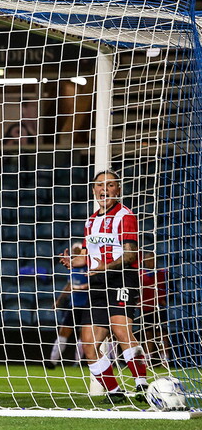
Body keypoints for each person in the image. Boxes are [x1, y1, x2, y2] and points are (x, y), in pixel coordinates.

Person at [59, 170, 148, 403]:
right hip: (98, 282)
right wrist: (77, 261)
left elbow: (130, 256)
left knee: (120, 330)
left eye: (110, 185)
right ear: (93, 190)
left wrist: (104, 267)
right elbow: (89, 256)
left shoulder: (125, 216)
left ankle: (142, 384)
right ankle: (114, 392)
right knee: (89, 343)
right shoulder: (90, 221)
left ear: (118, 190)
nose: (104, 189)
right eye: (100, 185)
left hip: (121, 278)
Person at [45, 241, 88, 369]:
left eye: (78, 250)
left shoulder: (88, 266)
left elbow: (94, 283)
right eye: (74, 250)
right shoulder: (72, 268)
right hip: (74, 305)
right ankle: (52, 361)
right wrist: (58, 301)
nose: (75, 252)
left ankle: (78, 361)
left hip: (87, 305)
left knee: (84, 335)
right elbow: (69, 286)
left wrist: (80, 287)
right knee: (63, 332)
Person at [138, 251, 169, 365]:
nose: (149, 262)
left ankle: (165, 359)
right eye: (147, 259)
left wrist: (165, 299)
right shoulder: (140, 273)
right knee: (148, 335)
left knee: (161, 334)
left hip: (159, 308)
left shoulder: (163, 273)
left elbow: (171, 288)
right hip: (145, 308)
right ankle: (147, 359)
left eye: (152, 259)